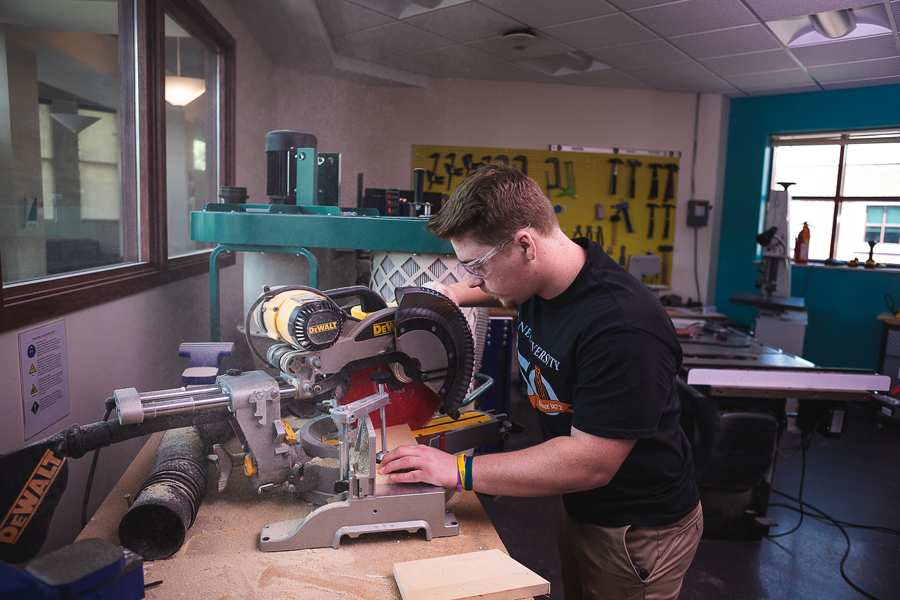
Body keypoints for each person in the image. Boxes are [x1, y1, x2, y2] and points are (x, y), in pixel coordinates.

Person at [379, 163, 702, 600]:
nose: (474, 276)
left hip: (637, 527)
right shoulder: (546, 280)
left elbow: (589, 462)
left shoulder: (622, 328)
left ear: (526, 245)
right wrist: (453, 294)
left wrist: (456, 470)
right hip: (582, 505)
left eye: (476, 264)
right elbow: (499, 288)